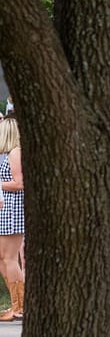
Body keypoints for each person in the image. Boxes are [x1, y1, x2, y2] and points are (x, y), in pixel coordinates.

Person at [0, 118, 24, 321]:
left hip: (12, 210)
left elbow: (19, 183)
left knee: (9, 258)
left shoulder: (15, 153)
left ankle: (20, 305)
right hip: (5, 209)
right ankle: (15, 302)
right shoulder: (6, 154)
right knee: (3, 258)